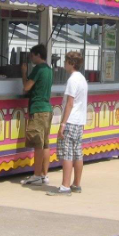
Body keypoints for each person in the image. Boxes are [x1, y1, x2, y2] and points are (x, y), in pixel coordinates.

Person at [48, 51, 88, 196]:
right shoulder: (82, 79)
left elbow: (70, 103)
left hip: (70, 120)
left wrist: (62, 124)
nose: (64, 64)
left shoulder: (72, 80)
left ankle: (65, 186)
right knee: (77, 153)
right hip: (79, 122)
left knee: (67, 153)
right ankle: (76, 183)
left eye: (66, 61)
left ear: (71, 63)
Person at [20, 44, 53, 186]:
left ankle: (36, 175)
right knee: (45, 144)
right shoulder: (49, 70)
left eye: (32, 55)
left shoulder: (38, 69)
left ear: (38, 55)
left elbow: (26, 87)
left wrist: (23, 73)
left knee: (37, 144)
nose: (31, 58)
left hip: (38, 109)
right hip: (47, 109)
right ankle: (44, 175)